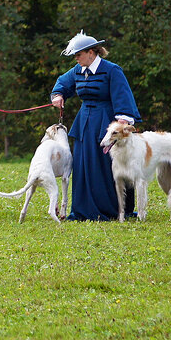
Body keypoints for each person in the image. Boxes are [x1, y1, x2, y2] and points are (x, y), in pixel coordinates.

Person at [50, 32, 140, 221]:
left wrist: (122, 122)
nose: (76, 58)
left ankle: (113, 209)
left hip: (106, 123)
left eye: (78, 54)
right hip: (84, 123)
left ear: (91, 53)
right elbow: (62, 83)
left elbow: (122, 95)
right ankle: (84, 210)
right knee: (83, 165)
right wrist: (58, 95)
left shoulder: (112, 70)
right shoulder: (77, 70)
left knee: (106, 165)